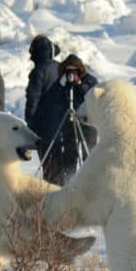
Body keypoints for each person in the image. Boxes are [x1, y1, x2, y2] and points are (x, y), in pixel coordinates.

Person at [36, 53, 98, 186]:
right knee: (70, 157)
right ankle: (70, 184)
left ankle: (91, 185)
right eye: (68, 70)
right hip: (69, 124)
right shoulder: (62, 82)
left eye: (74, 70)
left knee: (90, 157)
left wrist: (80, 84)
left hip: (88, 124)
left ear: (80, 69)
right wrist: (60, 86)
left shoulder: (89, 80)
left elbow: (91, 97)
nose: (71, 74)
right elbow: (52, 101)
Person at [24, 34, 59, 142]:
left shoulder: (38, 72)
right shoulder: (61, 67)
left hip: (43, 122)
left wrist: (29, 120)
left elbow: (33, 98)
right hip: (60, 121)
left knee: (44, 155)